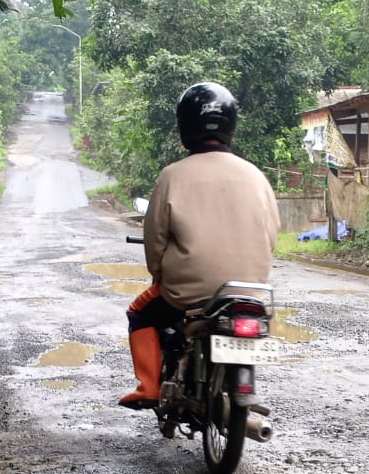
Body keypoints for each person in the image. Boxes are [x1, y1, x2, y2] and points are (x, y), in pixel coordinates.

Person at [119, 82, 279, 409]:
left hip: (188, 293)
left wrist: (158, 272)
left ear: (185, 126)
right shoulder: (256, 176)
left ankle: (148, 387)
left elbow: (155, 239)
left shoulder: (172, 176)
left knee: (140, 311)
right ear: (231, 126)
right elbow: (273, 233)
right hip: (249, 291)